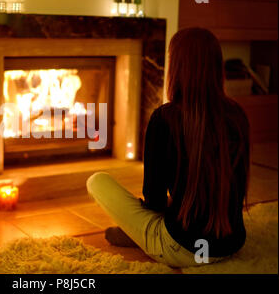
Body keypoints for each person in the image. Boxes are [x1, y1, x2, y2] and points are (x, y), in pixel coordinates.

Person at [87, 27, 250, 268]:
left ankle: (144, 236)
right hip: (232, 243)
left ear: (178, 68)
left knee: (96, 181)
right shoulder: (237, 114)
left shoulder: (165, 118)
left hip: (181, 249)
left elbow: (154, 199)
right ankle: (143, 233)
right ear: (217, 67)